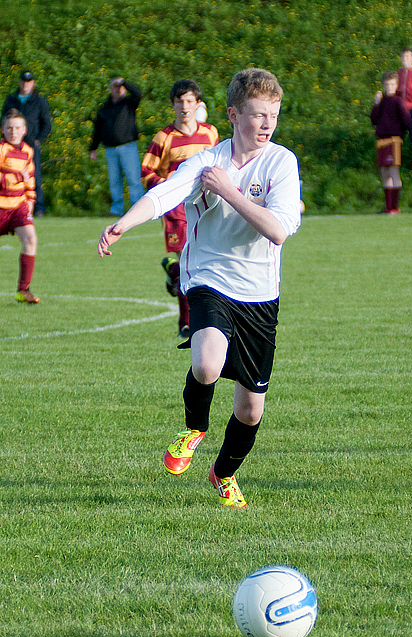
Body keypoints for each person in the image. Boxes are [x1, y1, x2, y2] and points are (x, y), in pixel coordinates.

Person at [98, 68, 302, 509]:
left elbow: (279, 231)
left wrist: (229, 192)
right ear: (232, 114)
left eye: (274, 115)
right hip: (209, 279)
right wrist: (124, 224)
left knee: (251, 411)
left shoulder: (281, 163)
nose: (267, 124)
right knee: (207, 364)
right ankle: (194, 427)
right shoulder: (208, 162)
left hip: (260, 295)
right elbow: (166, 194)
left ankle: (223, 473)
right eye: (257, 115)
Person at [141, 79, 219, 337]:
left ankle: (171, 270)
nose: (184, 107)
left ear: (198, 104)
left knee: (200, 264)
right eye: (179, 102)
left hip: (206, 209)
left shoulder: (210, 133)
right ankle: (185, 323)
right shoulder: (164, 137)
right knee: (189, 264)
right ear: (173, 105)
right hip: (177, 211)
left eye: (189, 101)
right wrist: (171, 187)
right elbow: (147, 172)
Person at [89, 77, 145, 216]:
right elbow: (98, 128)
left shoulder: (129, 103)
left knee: (134, 180)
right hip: (110, 149)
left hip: (128, 147)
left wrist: (125, 82)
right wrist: (93, 148)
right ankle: (116, 210)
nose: (118, 89)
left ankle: (137, 210)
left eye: (120, 86)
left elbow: (138, 93)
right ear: (110, 88)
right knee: (114, 181)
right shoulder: (105, 107)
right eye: (115, 86)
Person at [0, 109, 40, 303]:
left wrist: (30, 201)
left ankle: (23, 291)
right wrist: (15, 177)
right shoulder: (1, 149)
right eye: (9, 128)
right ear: (2, 130)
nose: (13, 132)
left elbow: (29, 179)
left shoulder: (28, 151)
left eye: (17, 128)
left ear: (24, 130)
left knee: (31, 239)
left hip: (18, 207)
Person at [2, 70, 52, 217]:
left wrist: (38, 140)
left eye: (28, 81)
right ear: (19, 82)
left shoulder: (39, 100)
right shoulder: (11, 99)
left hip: (29, 145)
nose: (25, 84)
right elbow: (3, 119)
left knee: (33, 176)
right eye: (23, 81)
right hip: (10, 145)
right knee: (8, 173)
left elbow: (46, 123)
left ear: (33, 83)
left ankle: (38, 208)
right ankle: (9, 206)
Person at [370, 70, 411, 215]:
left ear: (396, 84)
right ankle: (388, 207)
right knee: (384, 172)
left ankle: (395, 207)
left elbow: (407, 121)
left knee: (394, 171)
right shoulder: (381, 101)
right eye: (387, 84)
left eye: (392, 84)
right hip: (382, 141)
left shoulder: (398, 101)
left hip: (394, 140)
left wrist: (400, 132)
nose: (389, 87)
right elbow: (373, 120)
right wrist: (376, 104)